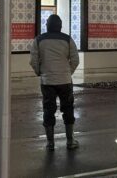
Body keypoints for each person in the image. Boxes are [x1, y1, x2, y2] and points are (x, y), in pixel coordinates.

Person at [30, 14, 80, 151]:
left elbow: (33, 60)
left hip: (47, 81)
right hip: (65, 81)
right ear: (60, 26)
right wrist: (68, 72)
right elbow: (75, 59)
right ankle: (70, 141)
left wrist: (39, 71)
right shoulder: (68, 39)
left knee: (48, 110)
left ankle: (50, 143)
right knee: (68, 109)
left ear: (47, 25)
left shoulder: (39, 40)